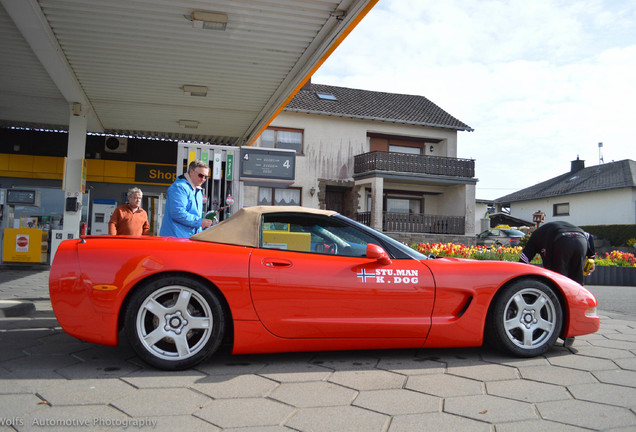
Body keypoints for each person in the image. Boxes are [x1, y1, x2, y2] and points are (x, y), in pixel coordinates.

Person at [519, 221, 595, 284]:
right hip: (581, 239)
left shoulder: (535, 237)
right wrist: (592, 260)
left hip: (561, 240)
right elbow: (589, 236)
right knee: (577, 281)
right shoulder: (542, 233)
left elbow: (524, 260)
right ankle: (577, 301)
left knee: (558, 281)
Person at [159, 160, 212, 238]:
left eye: (206, 177)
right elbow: (177, 213)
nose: (203, 179)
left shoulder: (197, 190)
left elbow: (194, 218)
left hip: (186, 239)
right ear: (191, 172)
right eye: (201, 175)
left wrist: (203, 225)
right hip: (175, 239)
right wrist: (200, 222)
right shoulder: (179, 187)